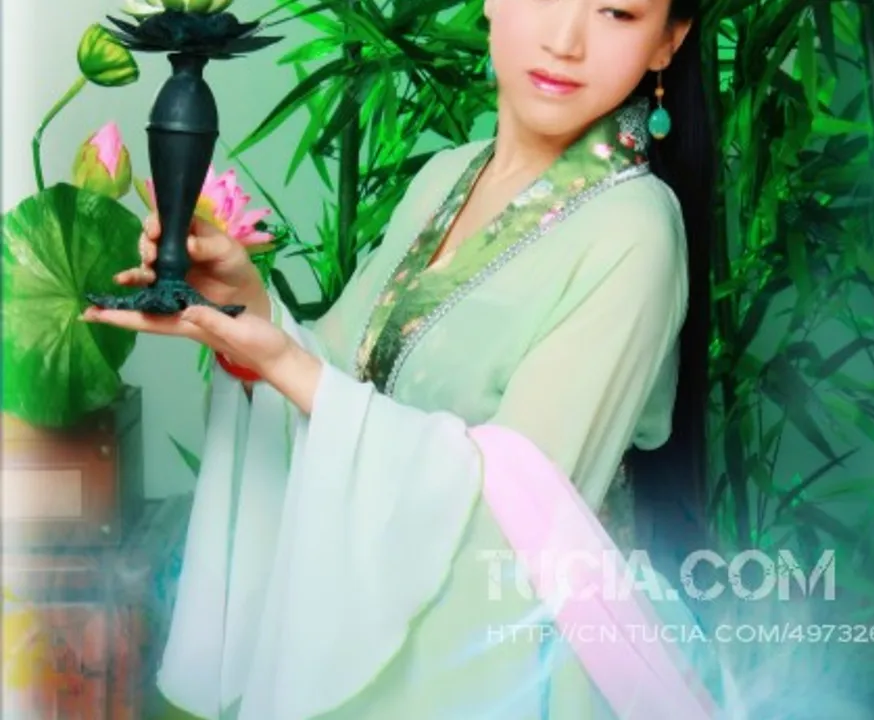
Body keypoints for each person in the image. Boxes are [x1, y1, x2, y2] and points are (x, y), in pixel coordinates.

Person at [84, 0, 723, 717]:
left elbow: (520, 512)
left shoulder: (635, 230)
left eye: (617, 12)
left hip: (505, 669)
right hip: (375, 642)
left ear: (668, 42)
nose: (565, 40)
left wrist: (288, 365)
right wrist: (248, 308)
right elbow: (338, 378)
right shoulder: (446, 177)